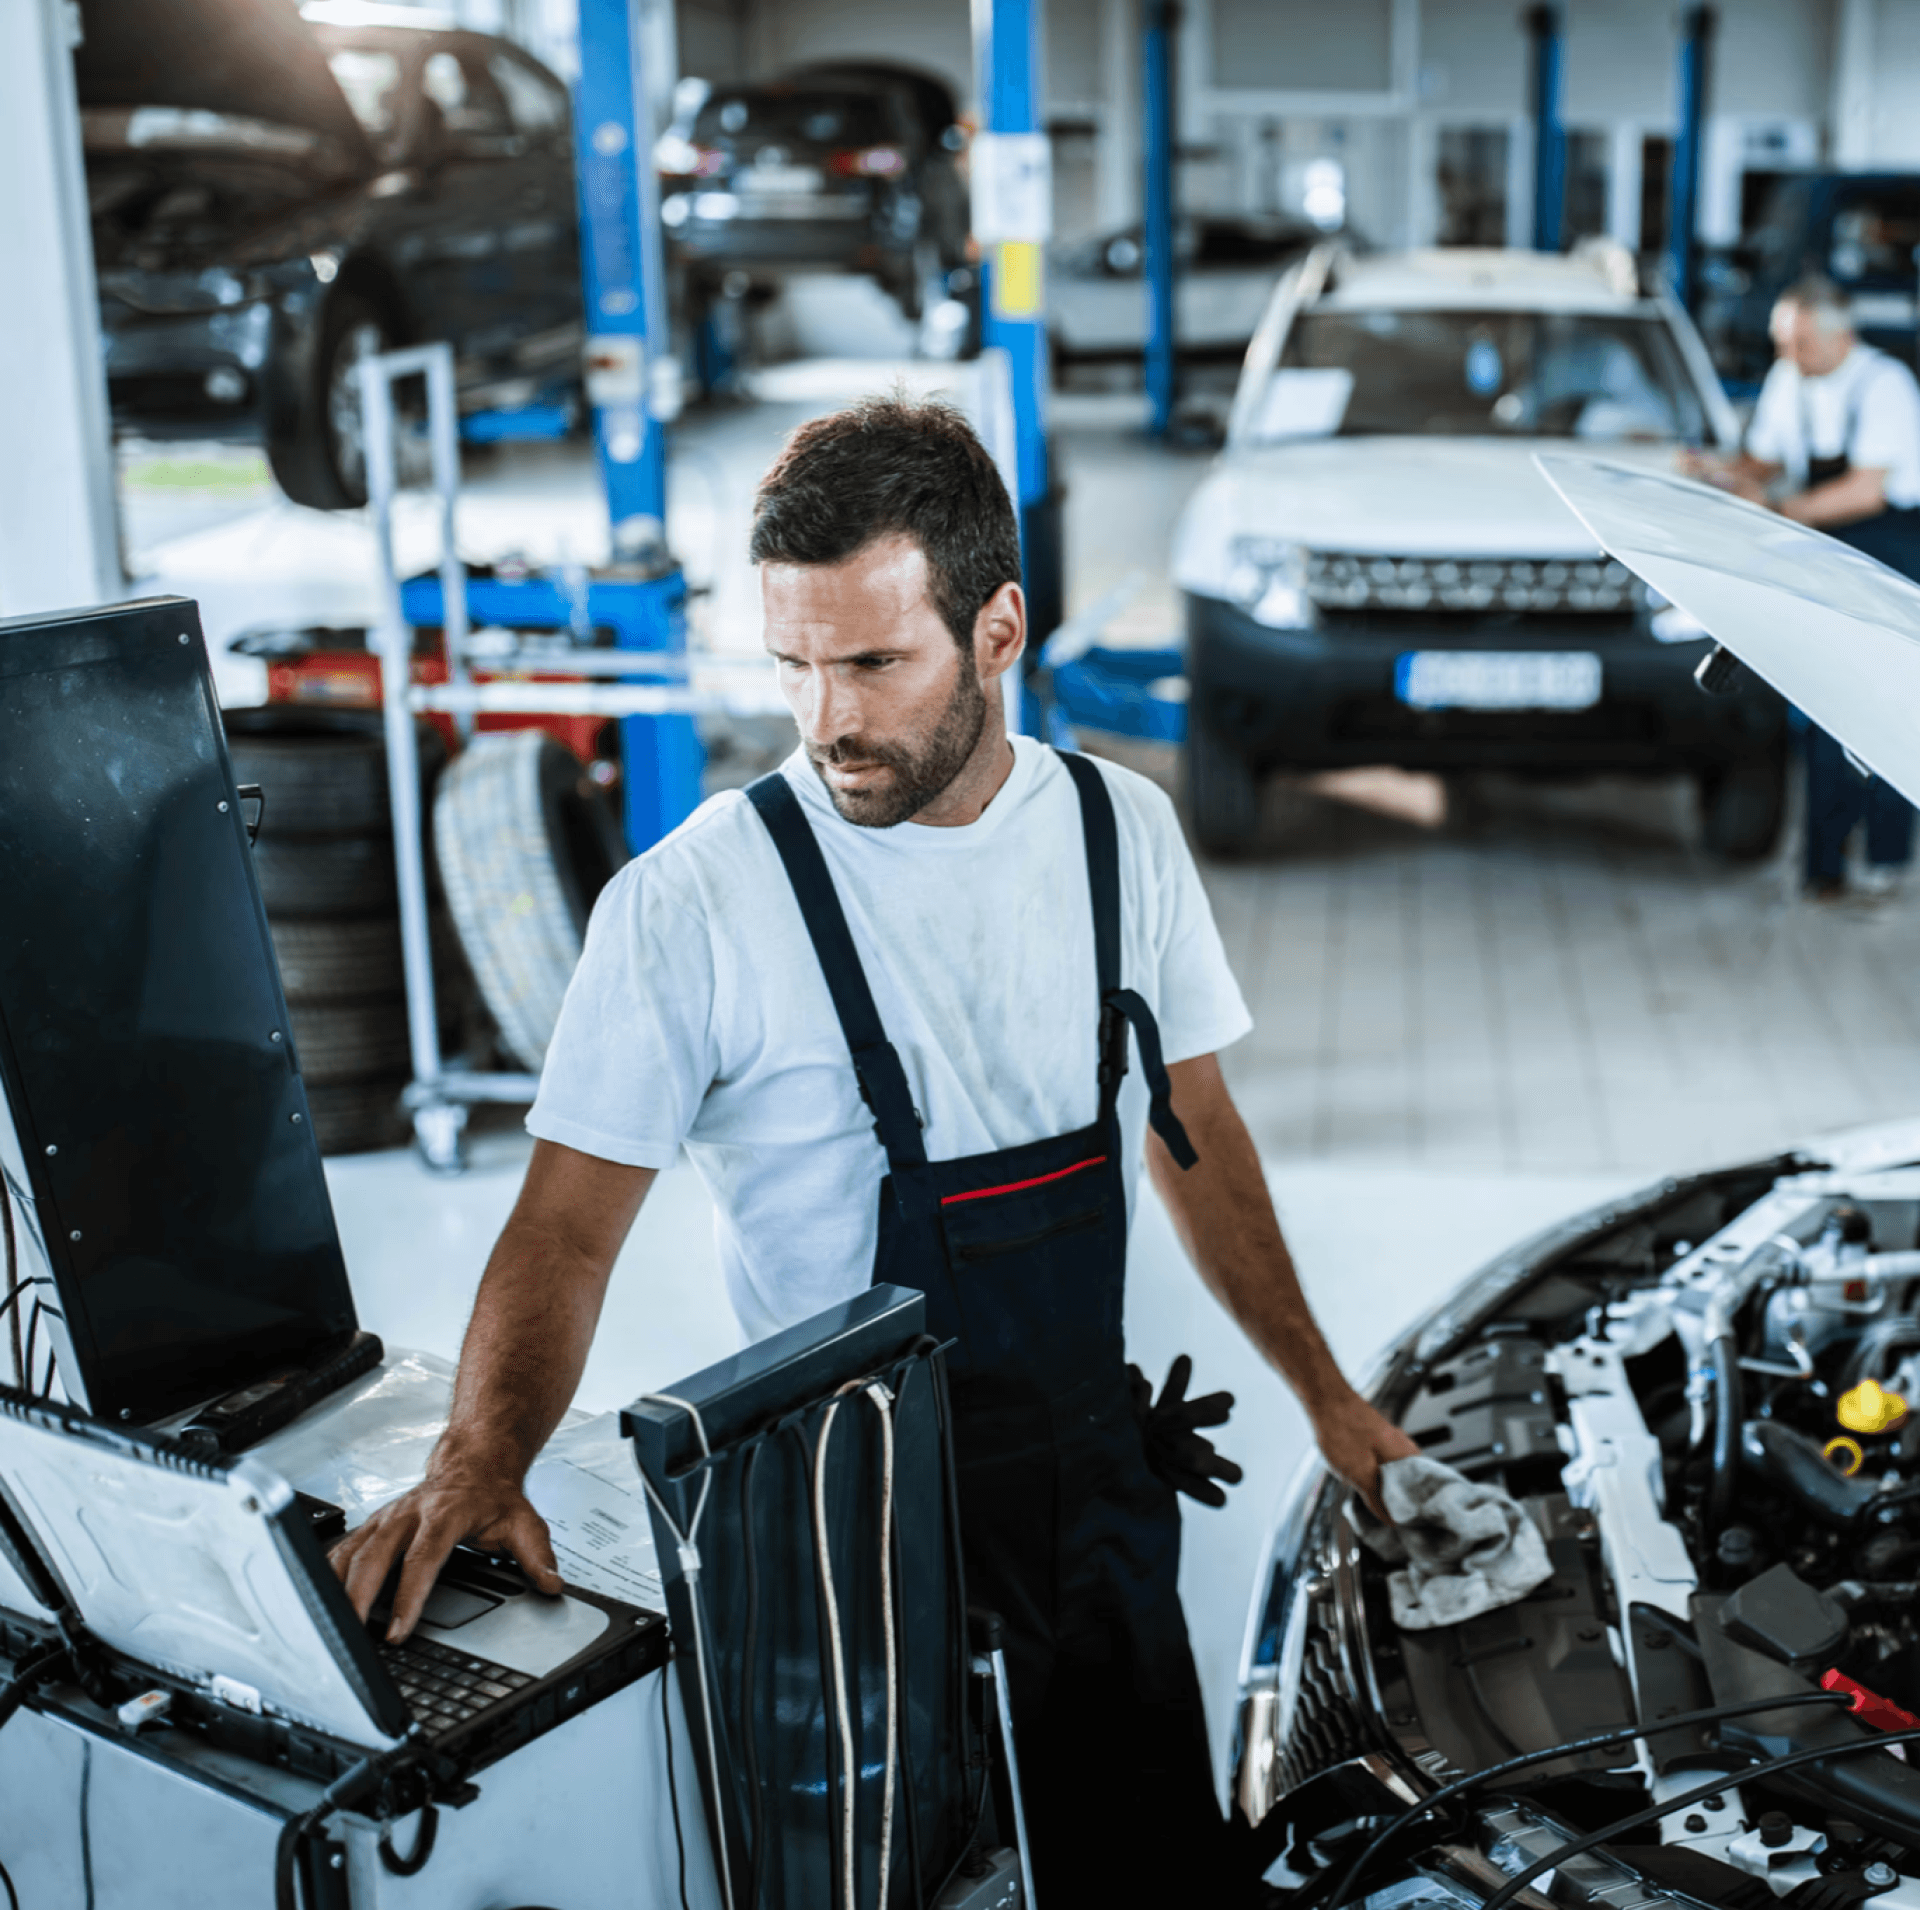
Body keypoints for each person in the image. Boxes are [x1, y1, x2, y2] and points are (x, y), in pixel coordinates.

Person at [329, 396, 1415, 1898]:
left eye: (871, 662)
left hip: (1092, 1493)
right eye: (792, 664)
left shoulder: (1122, 835)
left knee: (1158, 1864)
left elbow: (1197, 1131)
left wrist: (1329, 1397)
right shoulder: (697, 901)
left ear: (998, 629)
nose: (825, 719)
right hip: (848, 1549)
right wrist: (480, 1449)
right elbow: (567, 1226)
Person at [1688, 275, 1920, 900]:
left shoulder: (1886, 387)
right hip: (1825, 551)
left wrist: (1782, 511)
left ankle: (1887, 860)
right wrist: (1719, 471)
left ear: (1840, 336)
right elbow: (1767, 456)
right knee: (1824, 700)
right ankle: (1822, 866)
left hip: (1891, 552)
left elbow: (1867, 489)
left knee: (1887, 707)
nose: (1786, 358)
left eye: (1799, 346)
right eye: (1781, 345)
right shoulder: (1791, 380)